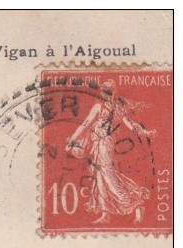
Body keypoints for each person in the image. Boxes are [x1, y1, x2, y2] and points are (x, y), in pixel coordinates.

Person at [65, 80, 156, 224]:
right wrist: (146, 132)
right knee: (100, 178)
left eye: (108, 92)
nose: (106, 94)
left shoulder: (105, 108)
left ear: (111, 93)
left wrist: (71, 140)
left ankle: (135, 205)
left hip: (104, 145)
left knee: (109, 178)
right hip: (100, 145)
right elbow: (132, 126)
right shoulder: (113, 108)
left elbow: (86, 125)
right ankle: (105, 213)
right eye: (105, 92)